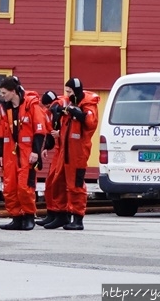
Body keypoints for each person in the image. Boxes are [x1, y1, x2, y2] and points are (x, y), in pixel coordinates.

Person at [0, 76, 47, 231]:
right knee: (9, 187)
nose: (2, 96)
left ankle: (29, 216)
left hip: (27, 153)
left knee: (25, 187)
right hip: (10, 153)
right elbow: (0, 132)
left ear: (13, 92)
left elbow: (40, 131)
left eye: (4, 93)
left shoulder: (31, 106)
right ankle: (16, 218)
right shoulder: (5, 109)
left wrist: (36, 152)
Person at [56, 77, 100, 231]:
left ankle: (78, 218)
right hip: (68, 152)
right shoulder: (71, 104)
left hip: (79, 152)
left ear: (76, 91)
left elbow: (90, 123)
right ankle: (70, 215)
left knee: (76, 186)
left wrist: (79, 114)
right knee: (68, 185)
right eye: (66, 91)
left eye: (69, 91)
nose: (67, 94)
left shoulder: (88, 106)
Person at [37, 90, 68, 228]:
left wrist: (59, 134)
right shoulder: (52, 113)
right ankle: (52, 213)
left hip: (64, 151)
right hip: (57, 150)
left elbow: (69, 131)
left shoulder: (63, 111)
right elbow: (50, 133)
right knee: (50, 182)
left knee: (58, 183)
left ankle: (61, 214)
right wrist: (45, 147)